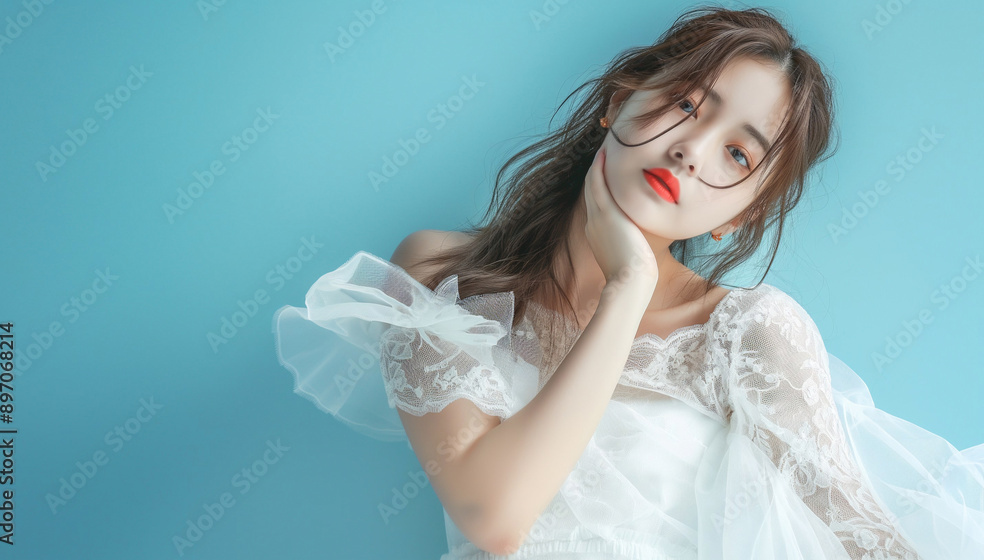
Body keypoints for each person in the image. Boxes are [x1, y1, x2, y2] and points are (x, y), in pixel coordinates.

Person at [272, 6, 984, 559]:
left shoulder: (750, 330)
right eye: (686, 103)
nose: (691, 148)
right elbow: (493, 514)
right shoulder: (439, 273)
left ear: (742, 217)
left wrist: (632, 279)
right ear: (620, 97)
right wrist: (625, 291)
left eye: (737, 152)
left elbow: (866, 539)